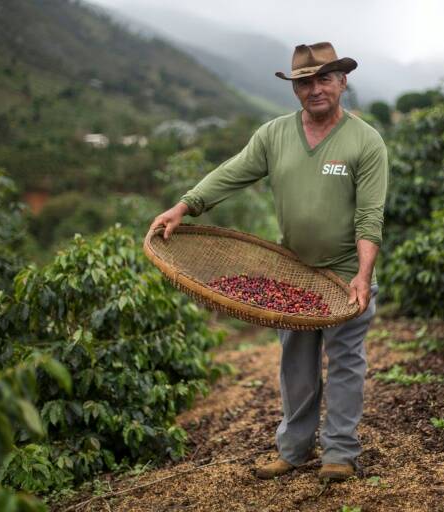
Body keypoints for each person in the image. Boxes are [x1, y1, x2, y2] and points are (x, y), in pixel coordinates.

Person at [149, 41, 388, 482]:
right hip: (293, 272)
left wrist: (362, 273)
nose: (314, 89)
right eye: (304, 82)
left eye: (323, 78)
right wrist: (185, 205)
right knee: (295, 366)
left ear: (342, 80)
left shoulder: (365, 141)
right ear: (295, 88)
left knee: (346, 361)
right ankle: (294, 451)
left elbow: (370, 215)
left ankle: (339, 454)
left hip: (343, 273)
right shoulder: (274, 135)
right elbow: (231, 172)